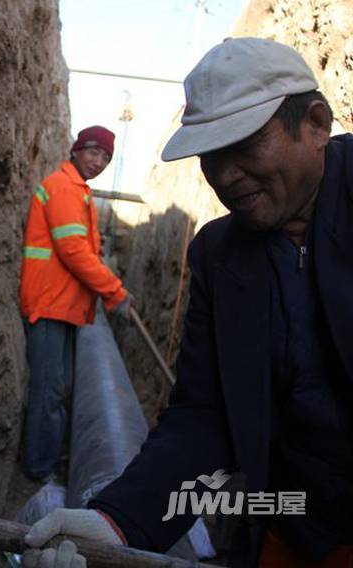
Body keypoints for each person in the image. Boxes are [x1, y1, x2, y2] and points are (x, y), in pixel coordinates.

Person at [22, 37, 353, 568]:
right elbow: (207, 414)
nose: (224, 175)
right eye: (210, 155)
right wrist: (117, 520)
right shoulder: (222, 255)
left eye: (244, 144)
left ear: (315, 124)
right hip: (291, 531)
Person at [19, 125, 132, 481]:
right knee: (50, 391)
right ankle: (39, 468)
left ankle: (48, 459)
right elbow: (74, 252)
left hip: (60, 305)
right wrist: (115, 292)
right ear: (76, 150)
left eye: (105, 157)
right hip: (50, 305)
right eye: (93, 152)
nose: (98, 162)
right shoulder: (65, 188)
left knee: (58, 388)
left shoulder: (77, 190)